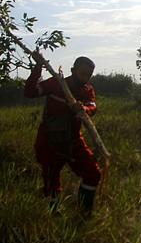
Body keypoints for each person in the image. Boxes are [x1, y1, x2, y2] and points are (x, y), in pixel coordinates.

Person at [24, 52, 103, 213]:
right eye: (82, 73)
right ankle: (53, 214)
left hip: (73, 140)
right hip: (49, 141)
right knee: (51, 179)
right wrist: (38, 66)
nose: (85, 78)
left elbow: (92, 107)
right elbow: (30, 92)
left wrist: (84, 109)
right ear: (73, 70)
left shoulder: (87, 90)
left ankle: (84, 212)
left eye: (88, 75)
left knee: (93, 173)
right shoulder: (56, 84)